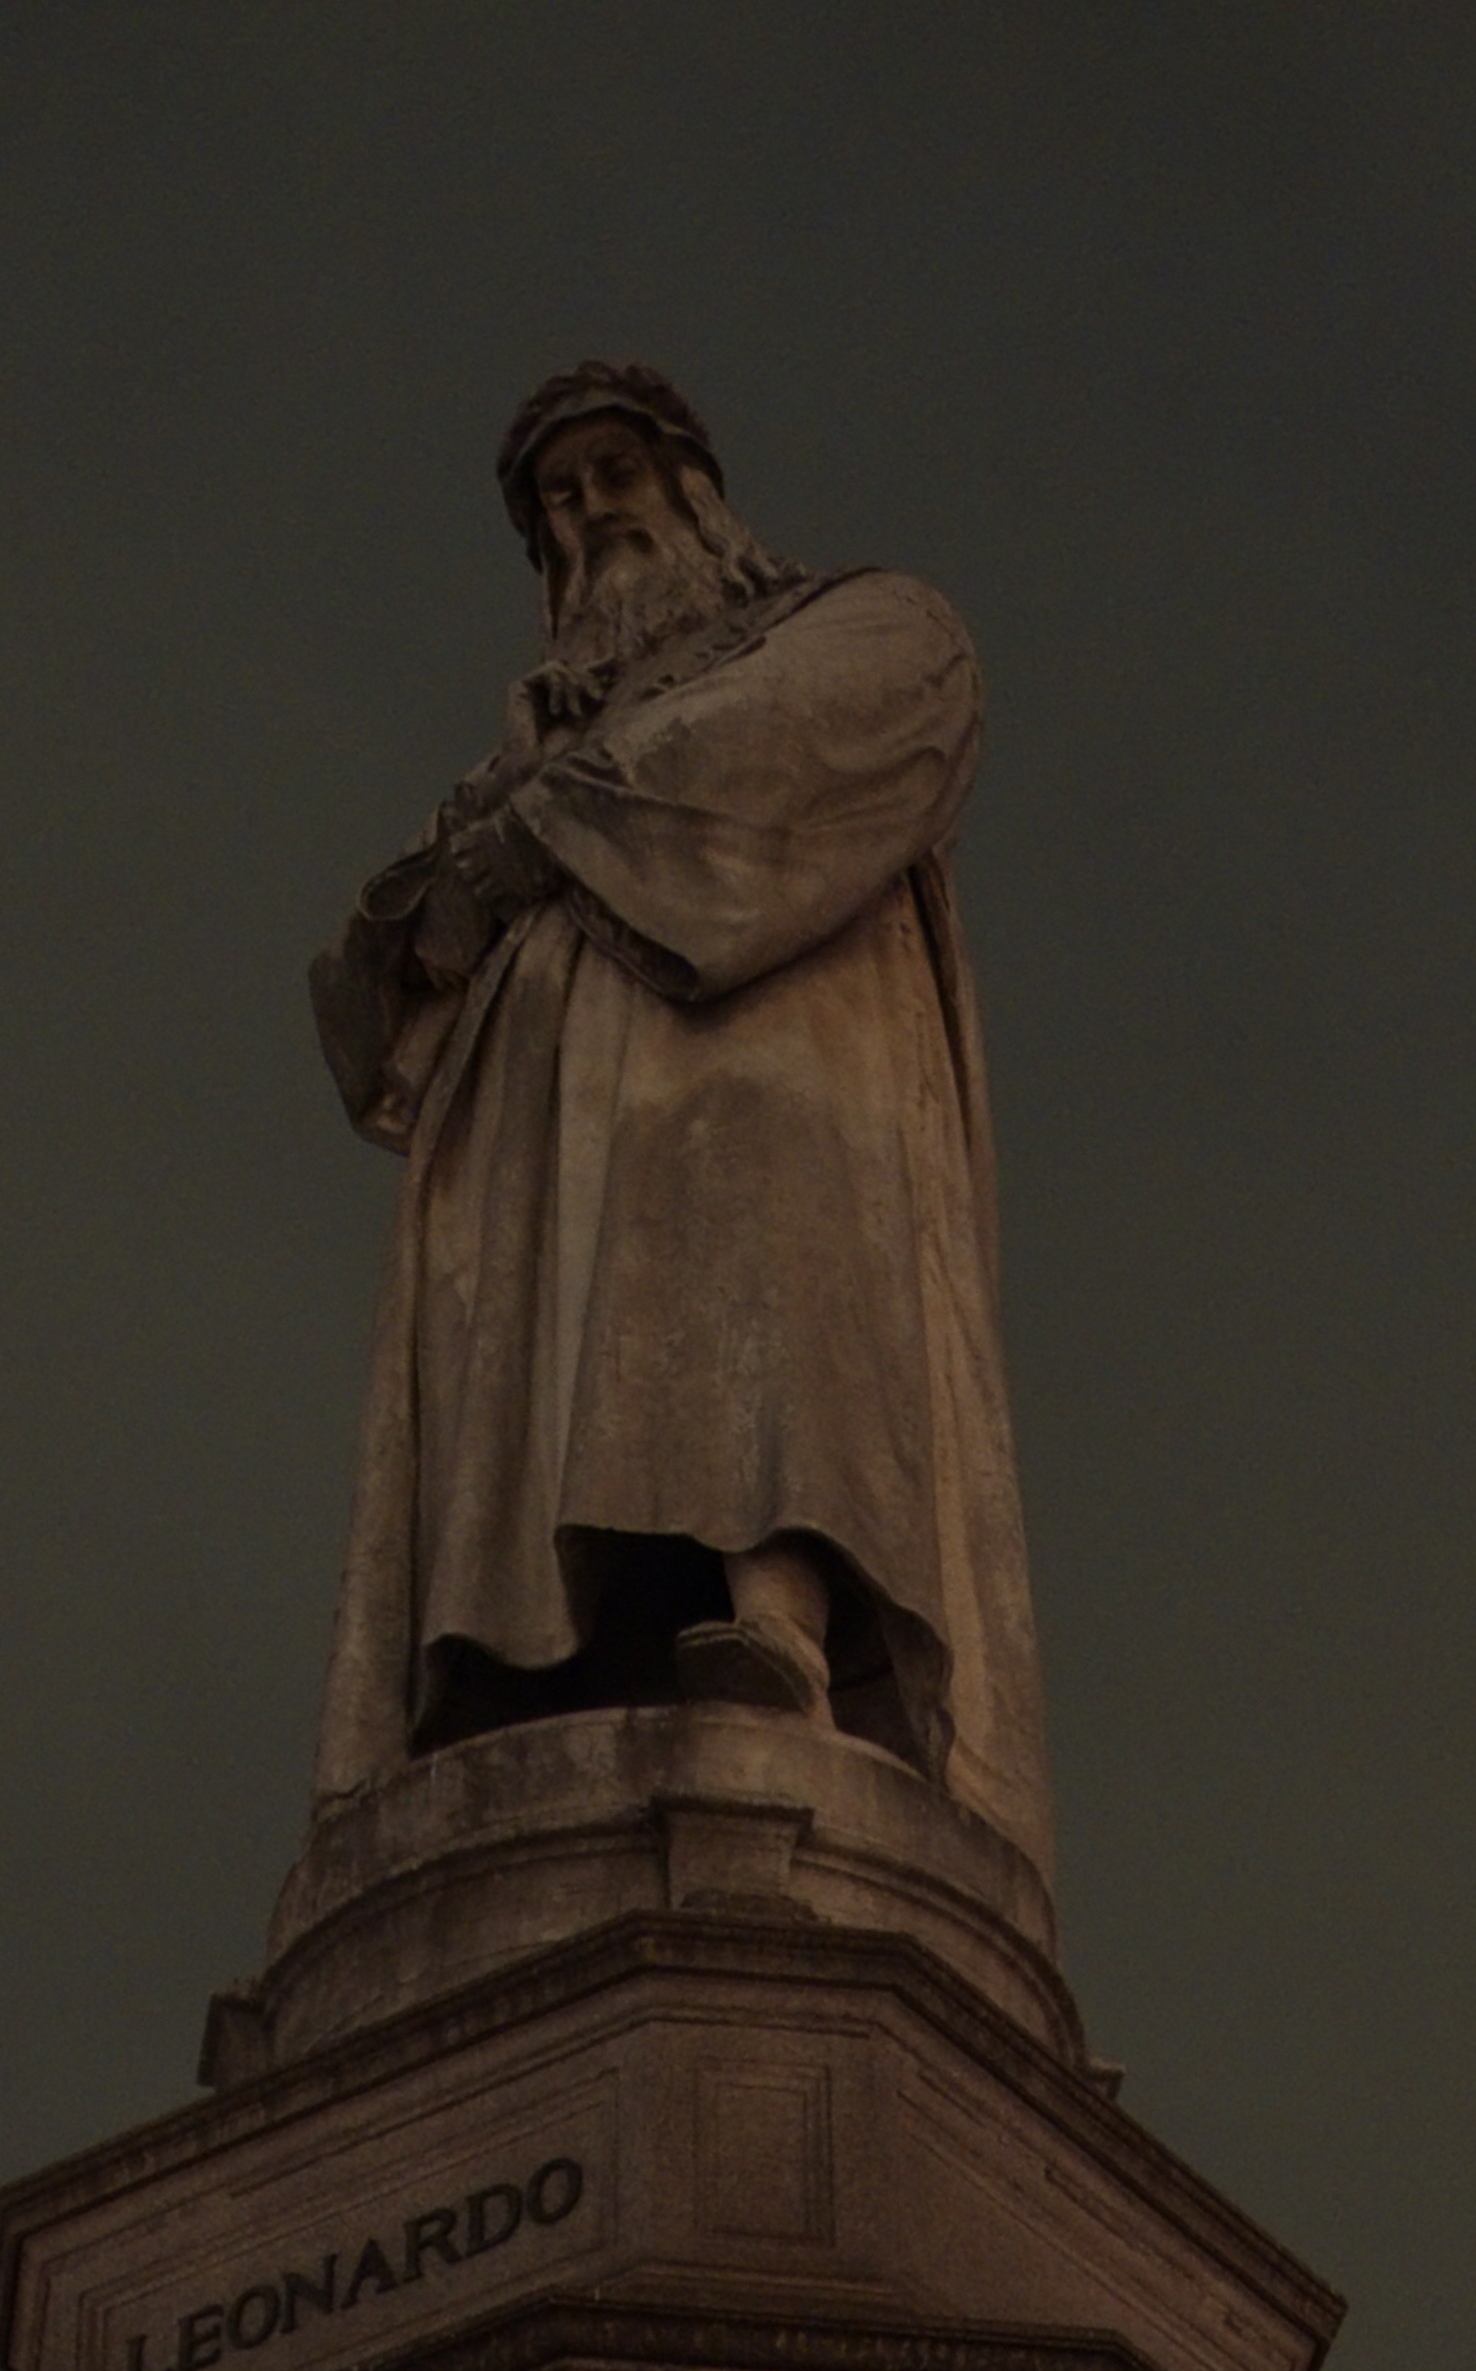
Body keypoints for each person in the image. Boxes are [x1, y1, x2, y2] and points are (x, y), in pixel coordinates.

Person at [310, 366, 1047, 1846]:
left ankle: (778, 1621)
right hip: (543, 1129)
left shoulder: (860, 621)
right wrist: (441, 896)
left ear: (693, 487)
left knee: (761, 1314)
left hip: (768, 1056)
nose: (588, 516)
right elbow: (369, 1000)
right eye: (556, 503)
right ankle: (516, 1668)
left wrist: (548, 834)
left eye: (610, 475)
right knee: (538, 1355)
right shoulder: (509, 765)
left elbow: (830, 733)